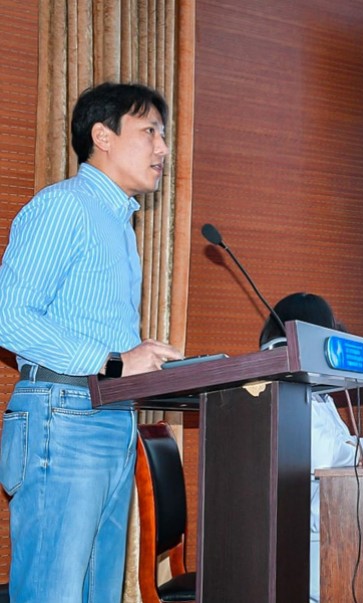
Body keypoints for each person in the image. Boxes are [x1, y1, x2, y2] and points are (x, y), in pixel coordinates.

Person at [0, 82, 183, 603]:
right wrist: (115, 361)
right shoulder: (65, 207)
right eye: (149, 132)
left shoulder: (119, 225)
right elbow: (8, 316)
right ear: (102, 136)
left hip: (109, 416)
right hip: (63, 416)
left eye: (163, 135)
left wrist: (135, 358)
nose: (162, 148)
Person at [259, 292, 363, 603]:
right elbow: (329, 456)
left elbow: (341, 444)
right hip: (308, 532)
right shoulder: (288, 389)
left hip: (326, 522)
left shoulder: (319, 393)